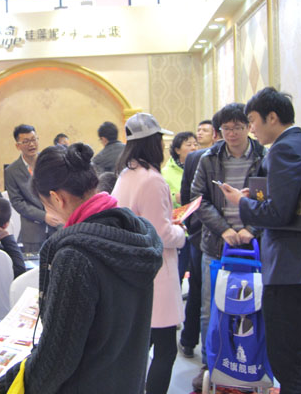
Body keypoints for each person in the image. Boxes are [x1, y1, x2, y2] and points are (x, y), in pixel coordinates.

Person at [0, 143, 163, 394]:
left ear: (56, 198)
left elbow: (56, 360)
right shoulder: (134, 233)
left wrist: (10, 384)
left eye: (46, 205)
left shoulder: (75, 256)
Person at [219, 87, 301, 394]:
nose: (251, 128)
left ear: (272, 117)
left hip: (290, 269)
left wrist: (241, 203)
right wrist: (255, 198)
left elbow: (279, 213)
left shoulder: (284, 150)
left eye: (253, 120)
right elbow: (294, 204)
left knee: (286, 359)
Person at [190, 102, 266, 390]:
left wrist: (251, 229)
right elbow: (199, 199)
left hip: (252, 245)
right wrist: (223, 230)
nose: (232, 133)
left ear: (249, 127)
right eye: (226, 128)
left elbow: (271, 200)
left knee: (252, 308)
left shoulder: (263, 156)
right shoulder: (208, 158)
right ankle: (211, 364)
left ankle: (250, 364)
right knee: (211, 308)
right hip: (216, 245)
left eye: (238, 127)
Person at [112, 113, 185, 394]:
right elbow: (162, 234)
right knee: (165, 350)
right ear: (152, 143)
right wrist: (181, 232)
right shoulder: (152, 180)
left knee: (144, 345)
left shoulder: (126, 175)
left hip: (134, 270)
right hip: (155, 272)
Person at [177, 115, 221, 360]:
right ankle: (191, 342)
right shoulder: (196, 158)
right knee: (199, 290)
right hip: (199, 234)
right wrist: (192, 227)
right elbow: (188, 198)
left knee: (204, 291)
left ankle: (197, 343)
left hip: (218, 238)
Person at [4, 124, 62, 253]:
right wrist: (43, 216)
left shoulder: (49, 162)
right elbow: (17, 202)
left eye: (34, 139)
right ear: (18, 146)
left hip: (58, 224)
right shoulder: (11, 171)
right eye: (26, 141)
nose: (31, 144)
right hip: (32, 231)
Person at [162, 131, 198, 288]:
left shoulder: (200, 166)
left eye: (195, 144)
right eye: (188, 144)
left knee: (196, 277)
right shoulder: (166, 172)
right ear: (177, 149)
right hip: (179, 229)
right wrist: (174, 197)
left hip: (197, 227)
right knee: (177, 274)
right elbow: (162, 197)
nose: (193, 147)